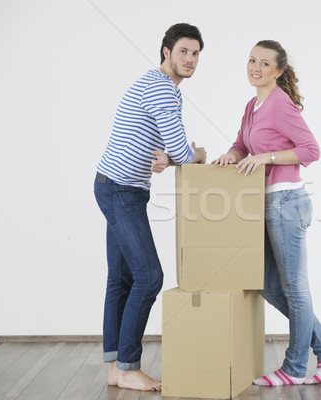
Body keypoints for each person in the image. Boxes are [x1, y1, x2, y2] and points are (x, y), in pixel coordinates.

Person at [212, 40, 321, 386]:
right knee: (269, 285)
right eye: (252, 60)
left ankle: (295, 368)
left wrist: (266, 158)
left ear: (279, 71)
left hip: (286, 202)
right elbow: (243, 144)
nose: (255, 67)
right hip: (265, 203)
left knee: (295, 289)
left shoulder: (281, 104)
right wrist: (231, 153)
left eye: (265, 63)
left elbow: (310, 150)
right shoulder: (252, 105)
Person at [93, 23, 207, 392]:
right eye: (183, 52)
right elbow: (183, 151)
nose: (190, 59)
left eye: (195, 54)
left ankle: (115, 369)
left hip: (115, 186)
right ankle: (127, 367)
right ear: (166, 52)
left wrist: (172, 159)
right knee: (149, 277)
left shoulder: (157, 86)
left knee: (123, 279)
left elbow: (169, 153)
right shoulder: (160, 90)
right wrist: (196, 154)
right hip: (121, 191)